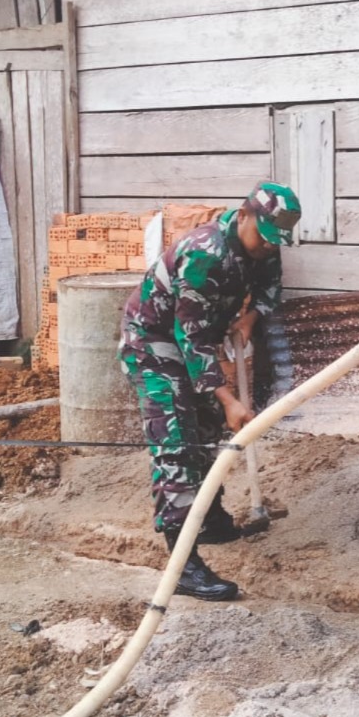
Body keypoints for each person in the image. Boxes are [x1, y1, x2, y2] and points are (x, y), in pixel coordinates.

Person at [120, 182, 300, 601]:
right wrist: (229, 399)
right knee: (177, 443)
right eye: (264, 239)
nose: (268, 250)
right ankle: (181, 564)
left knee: (203, 430)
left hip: (193, 339)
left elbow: (270, 291)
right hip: (154, 342)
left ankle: (209, 517)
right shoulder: (204, 254)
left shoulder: (266, 244)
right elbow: (192, 339)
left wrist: (249, 319)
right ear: (243, 216)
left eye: (276, 243)